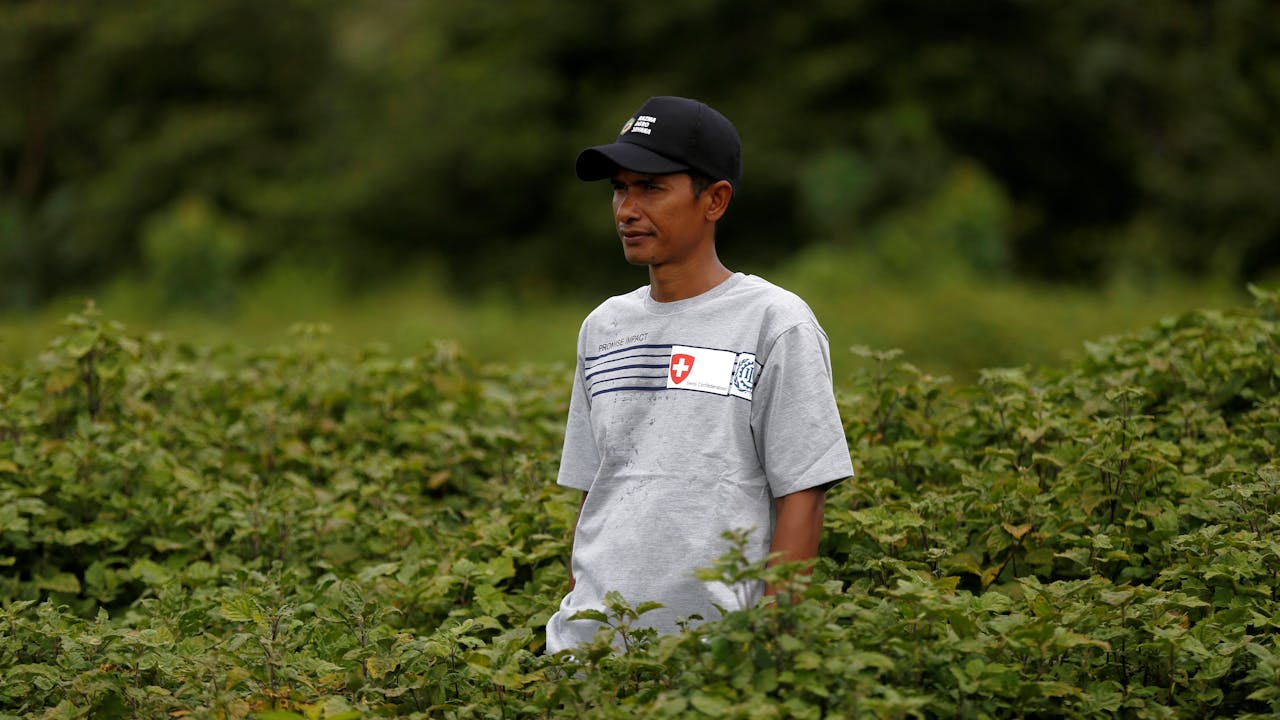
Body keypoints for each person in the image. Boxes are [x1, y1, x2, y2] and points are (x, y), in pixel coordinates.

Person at [544, 96, 853, 653]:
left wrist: (771, 645)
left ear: (715, 200)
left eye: (650, 187)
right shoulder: (604, 328)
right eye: (619, 188)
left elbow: (802, 493)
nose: (626, 209)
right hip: (587, 657)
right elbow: (595, 496)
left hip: (713, 656)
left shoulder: (773, 323)